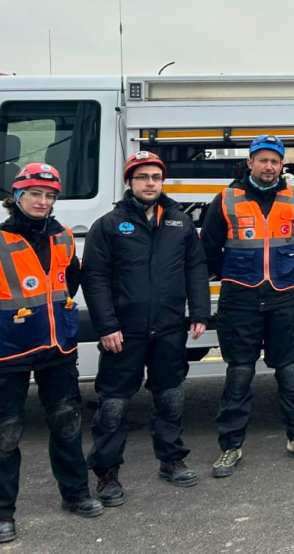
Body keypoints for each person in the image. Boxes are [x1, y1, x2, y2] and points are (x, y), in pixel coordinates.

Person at [0, 163, 99, 544]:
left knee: (67, 423)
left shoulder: (64, 238)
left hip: (58, 348)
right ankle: (1, 514)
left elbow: (70, 283)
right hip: (10, 353)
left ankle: (76, 494)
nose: (42, 201)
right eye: (35, 194)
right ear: (17, 197)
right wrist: (14, 324)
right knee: (5, 432)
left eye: (49, 195)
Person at [82, 151, 211, 506]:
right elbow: (94, 278)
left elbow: (196, 268)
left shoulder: (179, 222)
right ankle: (107, 473)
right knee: (114, 406)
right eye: (142, 177)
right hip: (124, 332)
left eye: (156, 177)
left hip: (169, 328)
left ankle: (172, 460)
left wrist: (200, 311)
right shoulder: (109, 225)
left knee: (170, 397)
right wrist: (106, 325)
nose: (150, 183)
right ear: (129, 182)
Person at [200, 134, 294, 476]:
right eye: (263, 160)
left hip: (286, 296)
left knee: (290, 369)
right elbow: (208, 249)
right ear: (249, 163)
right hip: (240, 297)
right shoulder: (225, 200)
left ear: (282, 165)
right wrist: (232, 274)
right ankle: (230, 446)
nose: (269, 166)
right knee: (240, 372)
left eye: (275, 161)